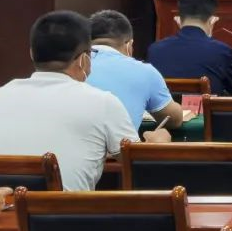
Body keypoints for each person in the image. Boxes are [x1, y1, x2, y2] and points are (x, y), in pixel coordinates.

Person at [0, 11, 171, 191]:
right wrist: (157, 144)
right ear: (83, 59)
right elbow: (140, 166)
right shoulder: (103, 102)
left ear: (32, 53)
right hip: (66, 209)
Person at [86, 10, 183, 131]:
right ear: (129, 45)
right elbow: (174, 120)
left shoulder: (72, 65)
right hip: (121, 142)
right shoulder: (145, 72)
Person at [147, 0, 232, 96]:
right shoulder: (222, 52)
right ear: (211, 20)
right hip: (206, 108)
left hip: (164, 108)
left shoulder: (155, 50)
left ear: (179, 18)